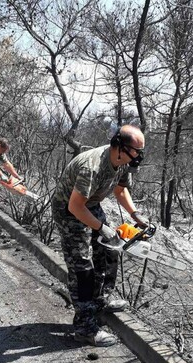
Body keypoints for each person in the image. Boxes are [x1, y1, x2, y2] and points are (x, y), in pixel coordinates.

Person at [51, 124, 149, 347]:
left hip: (91, 204)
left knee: (109, 251)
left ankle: (101, 299)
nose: (138, 156)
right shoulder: (92, 166)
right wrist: (101, 228)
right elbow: (75, 207)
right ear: (119, 146)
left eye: (140, 152)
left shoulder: (122, 162)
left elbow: (121, 189)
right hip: (68, 210)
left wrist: (135, 214)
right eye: (136, 151)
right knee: (82, 269)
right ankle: (84, 329)